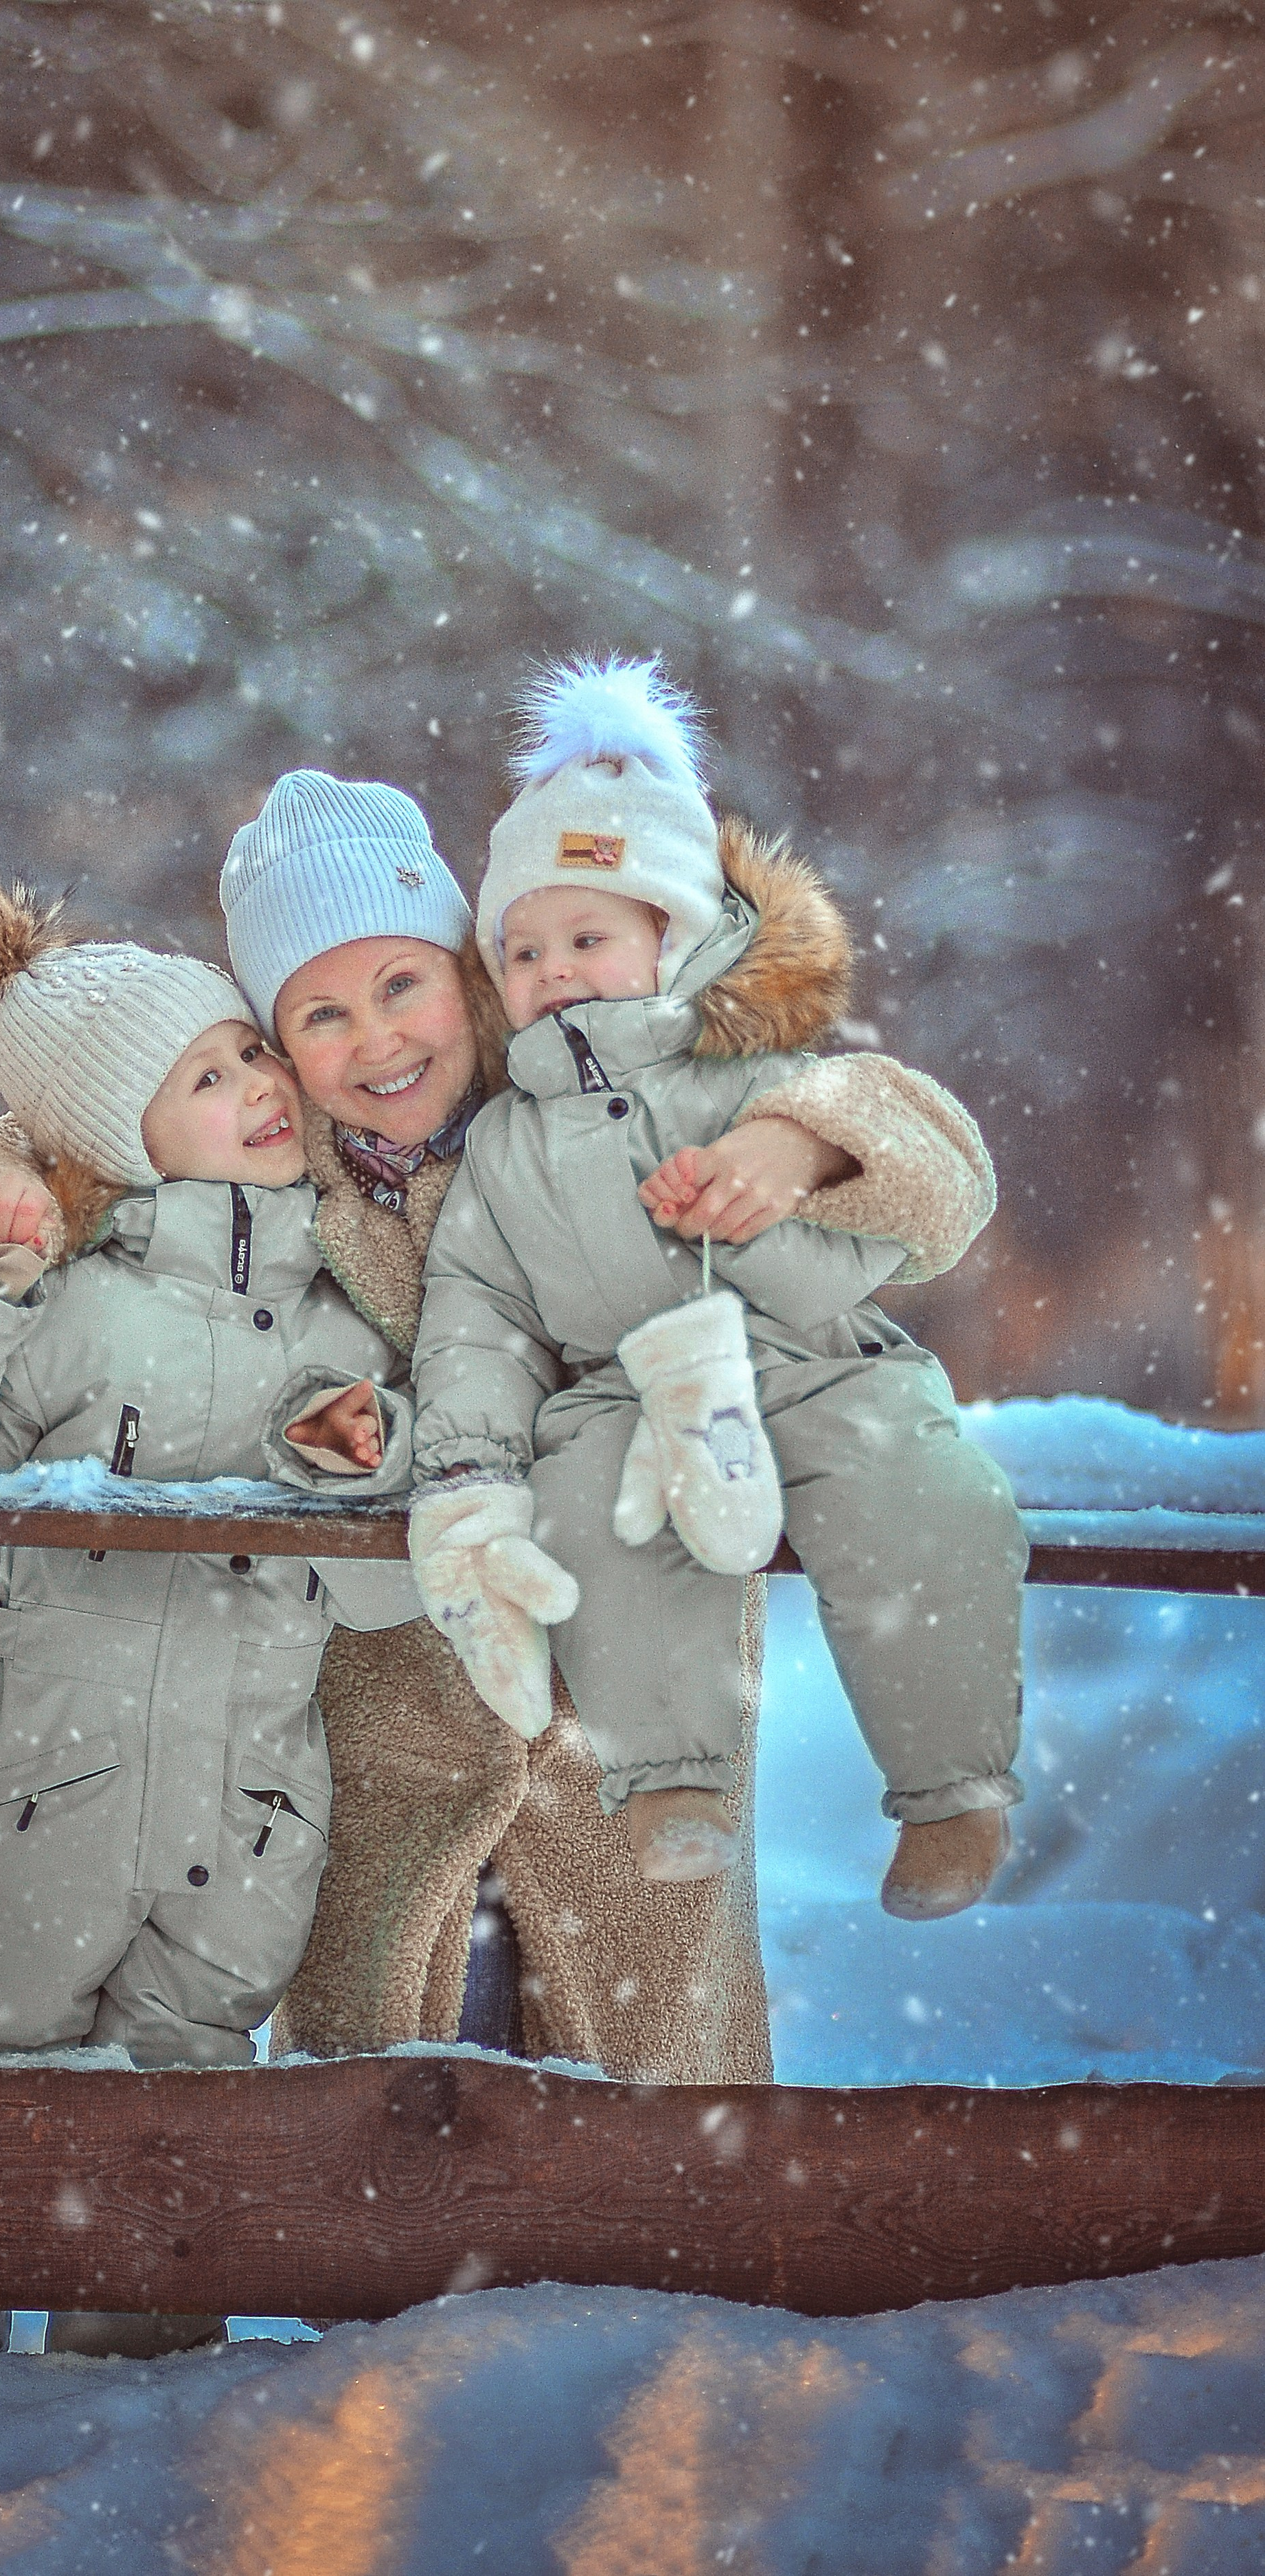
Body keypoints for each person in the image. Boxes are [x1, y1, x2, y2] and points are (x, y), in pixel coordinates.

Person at [0, 762, 994, 2089]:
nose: (378, 1040)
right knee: (384, 2158)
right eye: (322, 1015)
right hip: (385, 1731)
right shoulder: (277, 1161)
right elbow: (59, 1121)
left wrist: (801, 1146)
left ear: (467, 971)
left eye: (403, 985)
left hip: (639, 1707)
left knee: (651, 2149)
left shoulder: (609, 1069)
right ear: (279, 1045)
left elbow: (928, 1159)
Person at [0, 871, 417, 2357]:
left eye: (246, 1053)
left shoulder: (342, 1312)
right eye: (201, 1079)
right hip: (25, 1787)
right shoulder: (67, 1298)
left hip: (246, 1813)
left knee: (176, 2147)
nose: (255, 1086)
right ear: (113, 1140)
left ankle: (138, 2442)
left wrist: (359, 1453)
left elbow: (389, 1584)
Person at [409, 659, 1027, 1921]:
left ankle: (953, 1788)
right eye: (522, 948)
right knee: (596, 1509)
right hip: (619, 1394)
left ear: (673, 938)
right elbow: (477, 1315)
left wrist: (792, 1163)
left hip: (808, 1366)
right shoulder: (507, 1144)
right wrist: (469, 1470)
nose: (553, 969)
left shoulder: (763, 1071)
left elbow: (930, 1180)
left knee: (914, 1483)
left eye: (589, 936)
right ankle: (673, 1782)